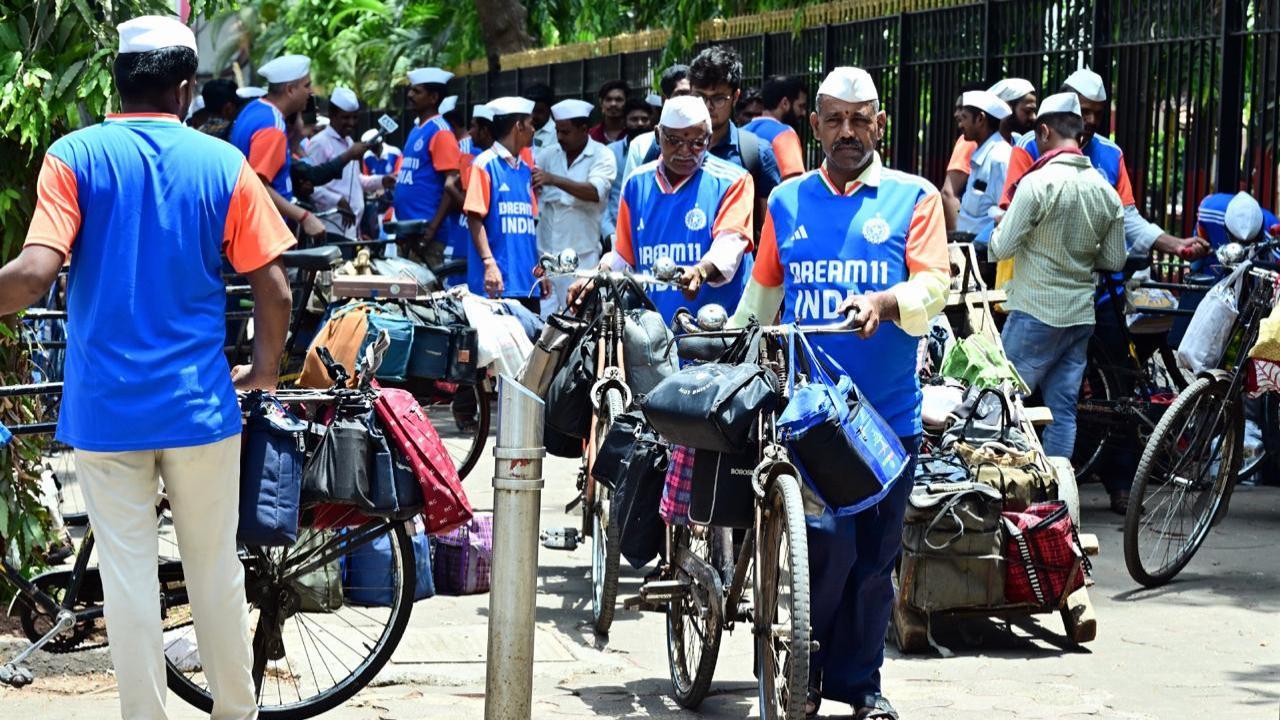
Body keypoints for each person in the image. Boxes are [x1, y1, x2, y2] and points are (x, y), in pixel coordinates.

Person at [0, 16, 295, 719]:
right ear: (185, 89)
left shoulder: (74, 156)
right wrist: (263, 372)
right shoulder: (222, 164)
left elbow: (35, 272)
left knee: (129, 583)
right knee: (214, 572)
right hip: (199, 408)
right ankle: (235, 711)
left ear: (116, 83)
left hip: (107, 412)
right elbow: (275, 289)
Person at [728, 66, 949, 720]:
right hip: (810, 421)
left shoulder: (915, 198)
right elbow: (761, 298)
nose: (848, 131)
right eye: (834, 119)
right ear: (815, 125)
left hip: (889, 418)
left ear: (879, 123)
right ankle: (807, 667)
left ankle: (860, 685)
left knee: (875, 563)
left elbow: (934, 286)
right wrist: (728, 342)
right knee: (828, 551)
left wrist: (887, 300)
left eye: (860, 119)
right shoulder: (787, 202)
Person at [990, 92, 1127, 461]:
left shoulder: (1037, 184)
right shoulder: (1105, 192)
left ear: (1045, 132)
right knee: (1063, 413)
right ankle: (1058, 500)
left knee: (1000, 403)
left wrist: (999, 227)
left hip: (1035, 311)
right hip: (1080, 316)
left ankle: (1005, 493)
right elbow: (1115, 259)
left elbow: (1001, 248)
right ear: (1080, 136)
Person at [570, 95, 754, 322]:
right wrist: (595, 278)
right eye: (675, 141)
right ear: (658, 135)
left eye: (698, 143)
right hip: (655, 333)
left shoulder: (733, 181)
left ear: (709, 138)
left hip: (717, 332)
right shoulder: (636, 183)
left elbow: (729, 247)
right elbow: (624, 256)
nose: (686, 151)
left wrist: (700, 271)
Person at [534, 98, 617, 314]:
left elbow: (594, 192)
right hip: (547, 259)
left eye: (566, 132)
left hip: (583, 257)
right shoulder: (547, 155)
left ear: (584, 129)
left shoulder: (602, 155)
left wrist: (554, 179)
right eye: (558, 131)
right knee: (546, 326)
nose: (560, 137)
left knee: (580, 320)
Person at [230, 53, 325, 237]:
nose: (310, 91)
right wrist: (304, 217)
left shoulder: (256, 108)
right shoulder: (272, 125)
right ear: (290, 90)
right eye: (307, 85)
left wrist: (297, 135)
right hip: (264, 234)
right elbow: (258, 186)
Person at [687, 45, 782, 219]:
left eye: (718, 98)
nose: (708, 106)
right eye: (700, 96)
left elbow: (771, 228)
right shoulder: (666, 150)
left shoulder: (756, 153)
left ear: (736, 97)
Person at [463, 96, 541, 305]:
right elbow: (474, 218)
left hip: (527, 283)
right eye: (531, 123)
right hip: (496, 284)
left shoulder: (525, 170)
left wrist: (540, 269)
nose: (534, 129)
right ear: (518, 126)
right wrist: (489, 263)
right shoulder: (484, 164)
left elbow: (529, 226)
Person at [395, 67, 464, 265]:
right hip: (407, 232)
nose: (409, 95)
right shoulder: (417, 130)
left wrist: (432, 229)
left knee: (428, 293)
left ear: (433, 97)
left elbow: (451, 185)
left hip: (426, 236)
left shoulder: (440, 132)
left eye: (417, 91)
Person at [305, 88, 394, 238]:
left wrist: (382, 181)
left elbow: (356, 181)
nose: (351, 123)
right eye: (345, 118)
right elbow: (309, 186)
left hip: (352, 229)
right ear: (332, 115)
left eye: (354, 117)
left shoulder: (349, 142)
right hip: (329, 228)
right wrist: (338, 201)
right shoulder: (319, 143)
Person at [954, 90, 1012, 249]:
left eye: (964, 118)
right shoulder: (983, 154)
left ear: (980, 119)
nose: (960, 124)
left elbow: (1006, 215)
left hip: (985, 255)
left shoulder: (999, 158)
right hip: (970, 250)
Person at [622, 64, 692, 185]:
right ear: (665, 99)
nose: (688, 100)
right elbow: (630, 195)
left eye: (693, 94)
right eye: (681, 94)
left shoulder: (708, 141)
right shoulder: (641, 146)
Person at [601, 97, 656, 244]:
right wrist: (609, 234)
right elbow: (604, 197)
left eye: (644, 119)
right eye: (634, 119)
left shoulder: (660, 151)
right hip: (615, 231)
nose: (640, 123)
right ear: (625, 121)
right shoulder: (610, 152)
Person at [744, 75, 808, 179]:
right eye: (801, 106)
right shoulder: (785, 134)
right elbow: (793, 184)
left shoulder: (741, 133)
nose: (803, 113)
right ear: (785, 103)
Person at [988, 77, 1038, 142]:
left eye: (1034, 111)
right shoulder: (983, 144)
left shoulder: (1019, 141)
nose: (1034, 117)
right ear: (1006, 106)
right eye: (1027, 111)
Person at [588, 79, 630, 144]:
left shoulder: (633, 133)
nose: (613, 104)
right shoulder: (590, 135)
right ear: (601, 103)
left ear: (627, 102)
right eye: (608, 99)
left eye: (619, 100)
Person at [523, 82, 558, 151]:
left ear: (550, 110)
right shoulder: (520, 130)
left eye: (539, 111)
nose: (533, 116)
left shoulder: (556, 135)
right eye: (530, 111)